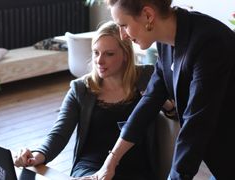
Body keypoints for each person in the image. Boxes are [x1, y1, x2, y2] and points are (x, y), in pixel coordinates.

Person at [92, 0, 235, 180]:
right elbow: (150, 100)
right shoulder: (166, 42)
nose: (122, 36)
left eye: (124, 25)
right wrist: (110, 162)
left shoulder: (209, 41)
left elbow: (196, 125)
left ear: (148, 15)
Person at [14, 21, 164, 179]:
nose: (99, 61)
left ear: (125, 55)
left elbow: (174, 112)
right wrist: (38, 155)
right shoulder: (81, 89)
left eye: (109, 54)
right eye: (96, 53)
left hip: (136, 169)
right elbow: (59, 134)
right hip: (90, 167)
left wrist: (167, 105)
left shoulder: (147, 77)